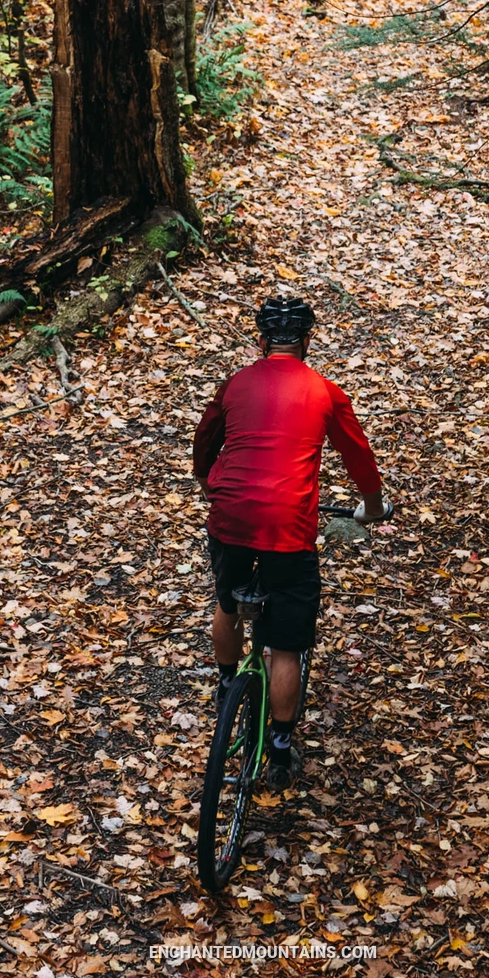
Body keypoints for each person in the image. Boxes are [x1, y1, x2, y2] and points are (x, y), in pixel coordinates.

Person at [192, 295, 388, 789]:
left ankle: (224, 685)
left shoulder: (236, 382)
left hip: (231, 515)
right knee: (285, 647)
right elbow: (359, 457)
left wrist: (210, 485)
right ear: (307, 341)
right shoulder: (325, 391)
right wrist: (372, 505)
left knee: (227, 602)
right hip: (287, 526)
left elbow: (205, 441)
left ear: (261, 341)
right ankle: (279, 749)